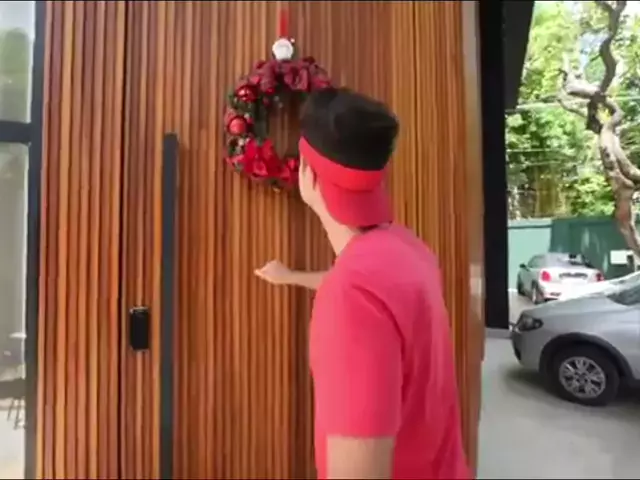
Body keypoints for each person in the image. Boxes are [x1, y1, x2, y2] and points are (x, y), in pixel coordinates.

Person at [254, 87, 471, 480]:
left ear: (307, 174)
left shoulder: (351, 296)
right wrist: (291, 277)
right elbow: (369, 292)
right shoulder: (407, 249)